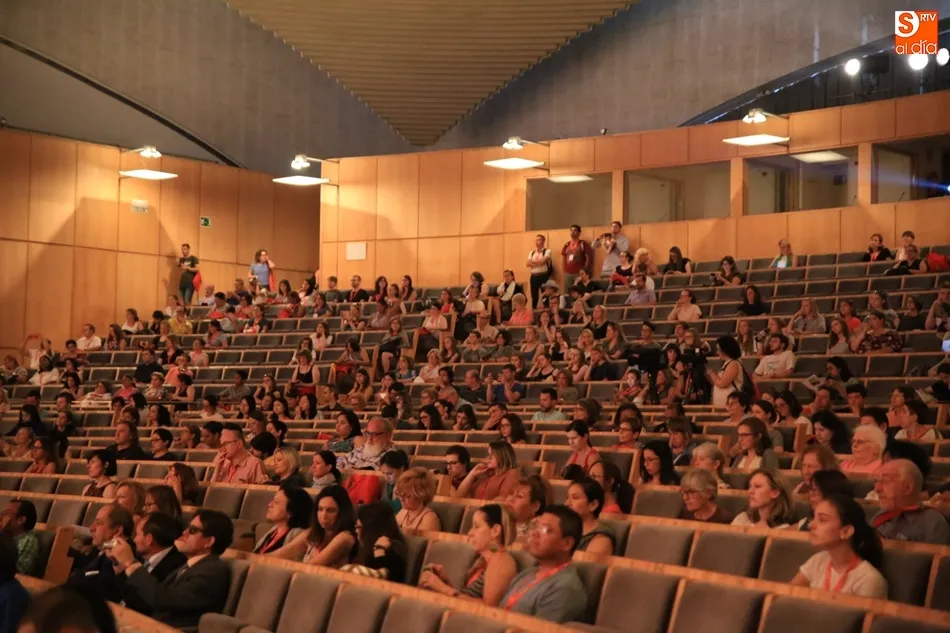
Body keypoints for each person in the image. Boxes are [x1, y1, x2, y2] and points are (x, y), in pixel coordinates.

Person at [112, 509, 232, 629]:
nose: (184, 532)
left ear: (209, 541)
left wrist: (131, 563)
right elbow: (147, 601)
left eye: (192, 530)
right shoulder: (189, 566)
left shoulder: (213, 570)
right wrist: (121, 568)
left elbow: (164, 599)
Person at [500, 505, 588, 623]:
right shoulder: (527, 573)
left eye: (546, 530)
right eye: (536, 526)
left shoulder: (565, 588)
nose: (534, 533)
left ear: (567, 544)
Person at [419, 503, 518, 605]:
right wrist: (445, 582)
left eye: (476, 526)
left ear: (495, 531)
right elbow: (467, 599)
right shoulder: (486, 560)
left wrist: (442, 588)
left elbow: (488, 609)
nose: (470, 532)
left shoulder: (501, 562)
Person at [791, 494, 887, 598]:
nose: (810, 525)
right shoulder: (819, 560)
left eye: (822, 520)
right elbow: (787, 597)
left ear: (846, 531)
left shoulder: (869, 580)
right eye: (813, 518)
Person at [270, 485, 357, 567]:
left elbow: (312, 565)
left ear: (342, 513)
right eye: (320, 509)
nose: (324, 516)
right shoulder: (312, 533)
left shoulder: (345, 537)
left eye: (330, 510)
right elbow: (279, 554)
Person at [872, 459, 949, 544]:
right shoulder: (881, 514)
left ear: (908, 487)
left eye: (886, 480)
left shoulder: (932, 522)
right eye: (876, 481)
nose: (877, 489)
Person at [70, 505, 134, 601]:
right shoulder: (101, 549)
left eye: (98, 523)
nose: (91, 528)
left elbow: (99, 594)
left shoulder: (119, 559)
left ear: (117, 531)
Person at [342, 502, 407, 582]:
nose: (356, 531)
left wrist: (379, 550)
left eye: (358, 527)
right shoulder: (361, 548)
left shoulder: (394, 556)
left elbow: (378, 582)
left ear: (371, 530)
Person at [254, 484, 314, 555]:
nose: (270, 504)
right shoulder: (275, 530)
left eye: (276, 502)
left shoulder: (298, 534)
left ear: (291, 511)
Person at [454, 441, 520, 501]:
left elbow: (503, 499)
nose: (488, 458)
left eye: (492, 454)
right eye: (488, 454)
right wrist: (472, 474)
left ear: (503, 456)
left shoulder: (512, 473)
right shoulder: (487, 474)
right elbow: (459, 495)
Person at [132, 513, 188, 582]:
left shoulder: (175, 569)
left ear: (149, 539)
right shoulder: (141, 558)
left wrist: (129, 564)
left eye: (137, 534)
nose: (134, 540)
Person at [564, 478, 615, 555]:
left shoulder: (601, 540)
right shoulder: (564, 529)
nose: (567, 503)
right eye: (567, 497)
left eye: (575, 498)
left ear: (593, 505)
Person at [731, 469, 795, 528]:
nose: (750, 491)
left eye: (757, 486)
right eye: (750, 486)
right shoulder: (742, 518)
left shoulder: (784, 528)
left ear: (775, 493)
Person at [0, 499, 39, 576]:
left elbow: (18, 572)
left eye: (7, 513)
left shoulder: (28, 541)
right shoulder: (5, 536)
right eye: (3, 513)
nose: (2, 517)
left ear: (21, 520)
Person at [560, 224, 592, 292]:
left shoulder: (583, 243)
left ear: (579, 233)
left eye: (575, 230)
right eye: (571, 230)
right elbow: (563, 258)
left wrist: (584, 271)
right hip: (568, 273)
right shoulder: (567, 244)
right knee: (567, 292)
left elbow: (588, 258)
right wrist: (564, 270)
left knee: (579, 291)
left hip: (579, 273)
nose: (573, 232)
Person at [526, 234, 553, 307]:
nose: (536, 242)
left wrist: (533, 263)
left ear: (543, 241)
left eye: (538, 240)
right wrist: (537, 263)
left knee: (545, 296)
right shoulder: (532, 252)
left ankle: (546, 311)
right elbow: (528, 263)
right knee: (534, 296)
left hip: (543, 276)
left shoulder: (547, 251)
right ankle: (534, 311)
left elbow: (543, 262)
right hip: (534, 277)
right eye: (536, 240)